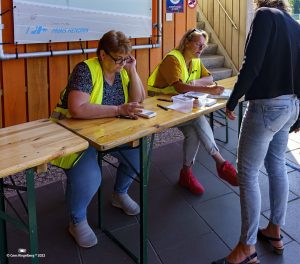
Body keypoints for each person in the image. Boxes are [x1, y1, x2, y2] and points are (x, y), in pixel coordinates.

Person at [213, 1, 300, 263]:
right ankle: (274, 230)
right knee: (276, 165)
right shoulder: (295, 26)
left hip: (267, 106)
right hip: (291, 105)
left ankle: (246, 247)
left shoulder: (264, 16)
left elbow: (251, 64)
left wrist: (232, 101)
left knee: (247, 172)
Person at [50, 30, 146, 248]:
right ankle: (77, 220)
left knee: (138, 154)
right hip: (73, 134)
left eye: (125, 59)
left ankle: (119, 194)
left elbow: (139, 99)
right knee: (91, 178)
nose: (121, 64)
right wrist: (118, 109)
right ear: (102, 54)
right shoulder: (85, 69)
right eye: (118, 59)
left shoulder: (122, 70)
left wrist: (133, 70)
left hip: (106, 133)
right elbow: (77, 108)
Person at [147, 29, 238, 195]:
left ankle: (186, 174)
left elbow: (209, 77)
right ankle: (221, 163)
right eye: (198, 44)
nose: (201, 48)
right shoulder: (172, 59)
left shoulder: (195, 60)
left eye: (203, 45)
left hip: (180, 105)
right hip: (159, 105)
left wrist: (195, 82)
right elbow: (179, 86)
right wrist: (207, 89)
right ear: (187, 42)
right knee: (198, 119)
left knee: (194, 132)